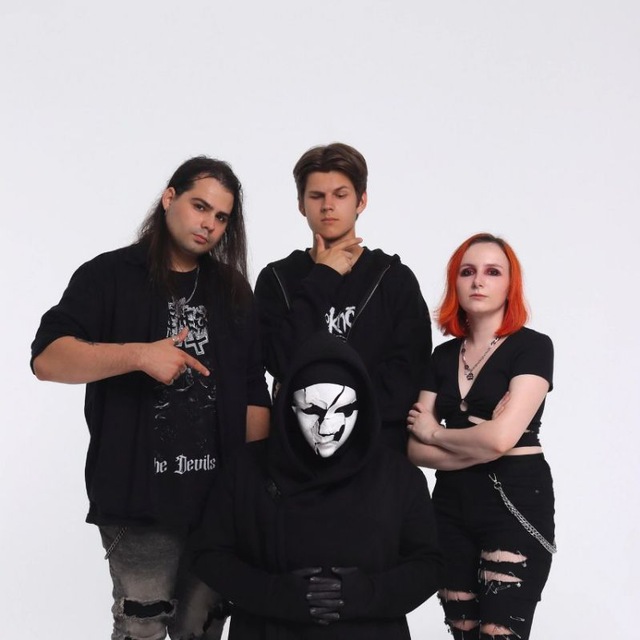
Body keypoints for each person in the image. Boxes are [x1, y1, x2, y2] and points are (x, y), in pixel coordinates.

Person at [30, 156, 271, 640]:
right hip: (138, 503)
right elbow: (47, 359)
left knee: (202, 629)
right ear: (169, 198)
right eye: (199, 206)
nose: (209, 223)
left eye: (221, 216)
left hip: (217, 506)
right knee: (141, 629)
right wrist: (138, 355)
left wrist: (256, 489)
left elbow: (253, 393)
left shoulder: (231, 289)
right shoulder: (108, 275)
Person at [188, 332, 442, 639]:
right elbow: (208, 554)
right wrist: (274, 594)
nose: (327, 427)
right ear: (289, 405)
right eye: (313, 410)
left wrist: (368, 593)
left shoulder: (399, 477)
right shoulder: (245, 470)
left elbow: (430, 564)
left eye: (344, 410)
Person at [407, 233, 556, 640]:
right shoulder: (441, 357)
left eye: (493, 272)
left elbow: (498, 439)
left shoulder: (532, 348)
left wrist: (436, 432)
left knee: (498, 632)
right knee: (463, 630)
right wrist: (485, 440)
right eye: (467, 272)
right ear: (454, 282)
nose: (478, 281)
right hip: (450, 507)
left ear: (510, 284)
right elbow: (415, 449)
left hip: (514, 501)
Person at [254, 142, 432, 453]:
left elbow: (409, 373)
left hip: (376, 452)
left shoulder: (392, 278)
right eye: (316, 196)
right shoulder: (277, 279)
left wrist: (344, 419)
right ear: (301, 204)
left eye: (340, 195)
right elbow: (279, 360)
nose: (327, 206)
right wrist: (323, 276)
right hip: (298, 454)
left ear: (361, 200)